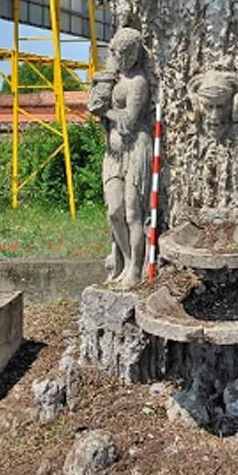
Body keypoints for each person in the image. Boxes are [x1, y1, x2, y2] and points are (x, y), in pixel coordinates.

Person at [89, 27, 153, 290]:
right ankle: (124, 261)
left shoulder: (138, 82)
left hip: (136, 147)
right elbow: (93, 104)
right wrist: (98, 96)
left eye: (127, 53)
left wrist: (106, 112)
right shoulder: (111, 78)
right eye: (117, 52)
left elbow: (128, 121)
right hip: (114, 152)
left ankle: (135, 269)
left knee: (132, 212)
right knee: (114, 211)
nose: (121, 57)